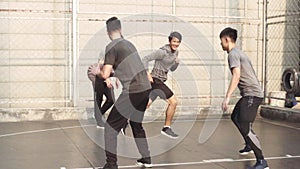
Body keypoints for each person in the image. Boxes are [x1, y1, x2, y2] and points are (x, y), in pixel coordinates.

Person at [100, 17, 152, 169]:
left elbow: (105, 74)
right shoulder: (129, 44)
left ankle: (111, 164)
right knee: (136, 124)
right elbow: (129, 67)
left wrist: (100, 70)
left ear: (108, 32)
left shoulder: (111, 46)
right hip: (145, 88)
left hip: (133, 91)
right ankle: (146, 158)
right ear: (120, 30)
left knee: (110, 128)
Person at [220, 27, 269, 169]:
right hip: (249, 94)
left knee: (245, 126)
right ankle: (249, 144)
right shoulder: (239, 53)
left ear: (227, 39)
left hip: (252, 94)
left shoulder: (233, 54)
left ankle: (262, 162)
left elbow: (236, 75)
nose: (221, 44)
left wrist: (227, 97)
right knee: (235, 117)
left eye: (221, 41)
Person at [142, 31, 182, 139]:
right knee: (173, 102)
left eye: (178, 42)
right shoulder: (162, 52)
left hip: (161, 80)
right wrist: (148, 75)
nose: (176, 44)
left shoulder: (176, 53)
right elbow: (145, 59)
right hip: (155, 80)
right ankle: (166, 128)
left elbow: (171, 69)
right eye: (174, 41)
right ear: (169, 41)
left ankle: (123, 122)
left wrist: (176, 63)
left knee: (146, 103)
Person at [88, 62, 115, 129]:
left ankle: (99, 115)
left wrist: (114, 79)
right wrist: (105, 77)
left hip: (105, 78)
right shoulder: (97, 65)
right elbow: (96, 72)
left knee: (111, 99)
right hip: (97, 79)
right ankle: (99, 121)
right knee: (98, 99)